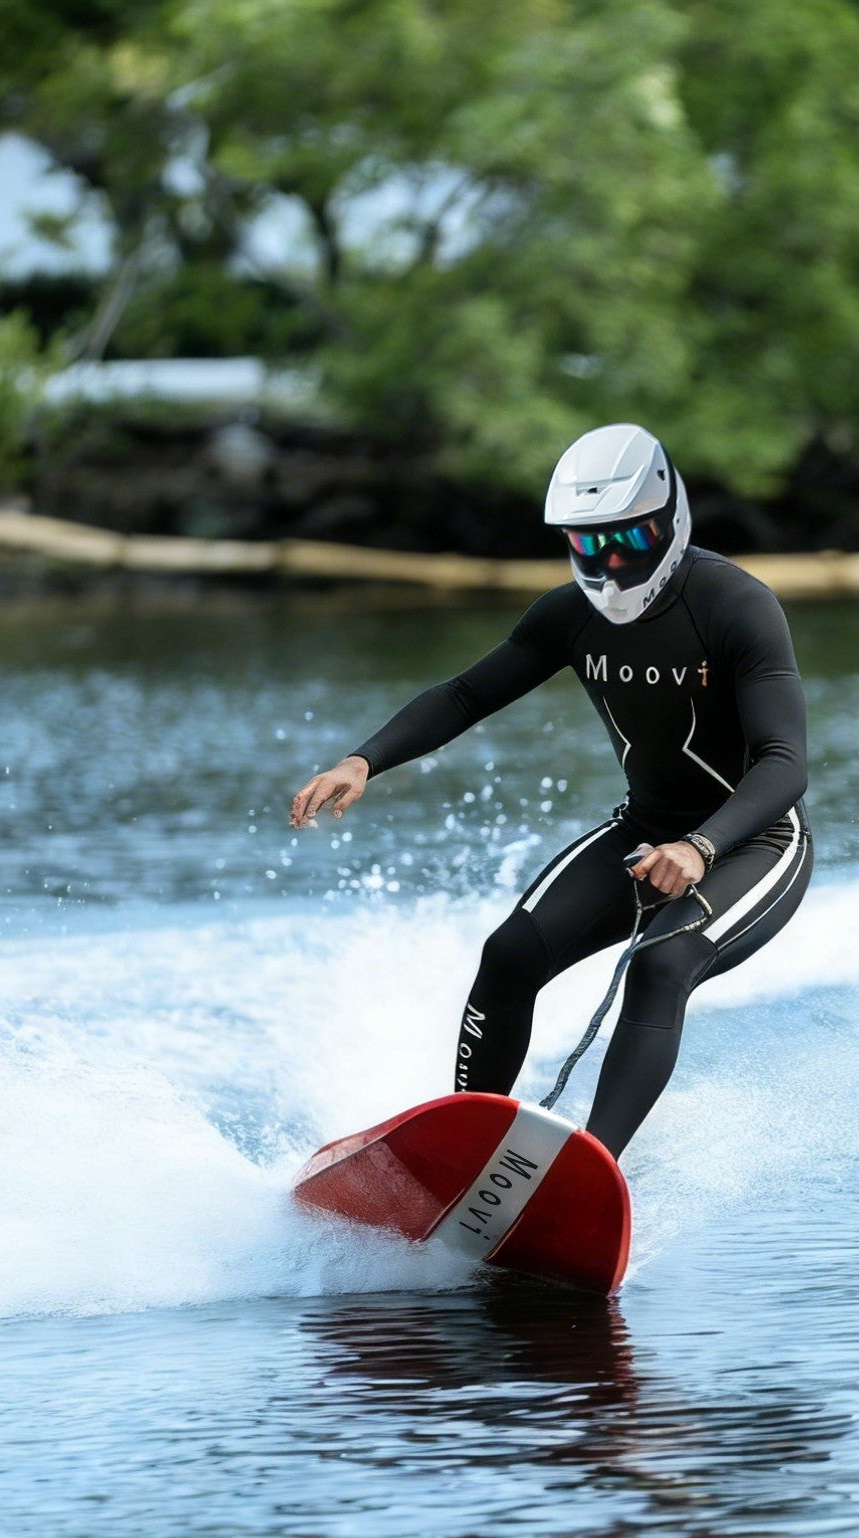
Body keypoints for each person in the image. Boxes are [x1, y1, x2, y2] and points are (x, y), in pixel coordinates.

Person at [287, 423, 811, 1156]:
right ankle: (464, 1140)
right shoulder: (567, 616)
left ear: (669, 520)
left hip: (754, 840)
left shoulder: (734, 605)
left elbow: (785, 762)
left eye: (628, 538)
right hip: (645, 831)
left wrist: (699, 847)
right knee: (510, 955)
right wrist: (363, 761)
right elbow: (465, 695)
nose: (610, 561)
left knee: (660, 965)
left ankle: (593, 1164)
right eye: (588, 543)